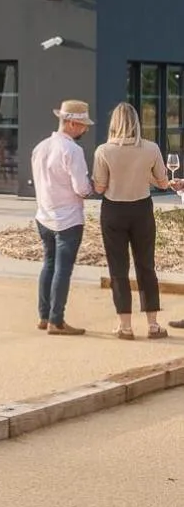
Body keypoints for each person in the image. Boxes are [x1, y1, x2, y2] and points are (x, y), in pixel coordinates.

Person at [91, 102, 171, 339]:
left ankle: (125, 326)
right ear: (137, 121)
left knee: (118, 269)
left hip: (114, 210)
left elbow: (100, 187)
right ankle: (153, 325)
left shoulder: (103, 151)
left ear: (114, 122)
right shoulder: (151, 148)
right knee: (146, 266)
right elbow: (163, 182)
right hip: (142, 209)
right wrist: (142, 173)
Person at [31, 99, 94, 336]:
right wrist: (93, 187)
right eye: (82, 125)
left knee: (48, 264)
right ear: (70, 123)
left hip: (44, 215)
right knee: (62, 269)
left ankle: (44, 315)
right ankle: (56, 321)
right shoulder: (73, 151)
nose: (85, 129)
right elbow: (82, 188)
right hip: (68, 218)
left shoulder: (40, 147)